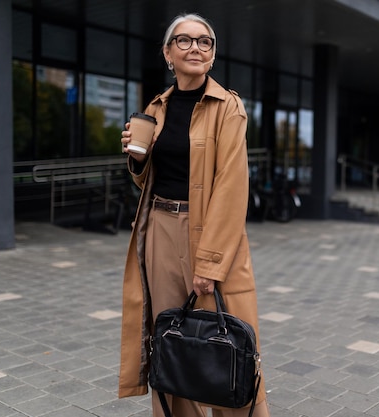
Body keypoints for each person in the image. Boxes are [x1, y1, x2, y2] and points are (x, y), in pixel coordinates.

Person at [117, 13, 269, 417]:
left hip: (211, 234)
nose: (196, 48)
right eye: (184, 41)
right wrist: (137, 159)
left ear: (213, 55)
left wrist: (211, 261)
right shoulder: (157, 106)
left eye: (205, 42)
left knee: (228, 345)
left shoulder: (228, 107)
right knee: (172, 342)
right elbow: (149, 180)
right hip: (161, 231)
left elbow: (232, 188)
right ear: (168, 53)